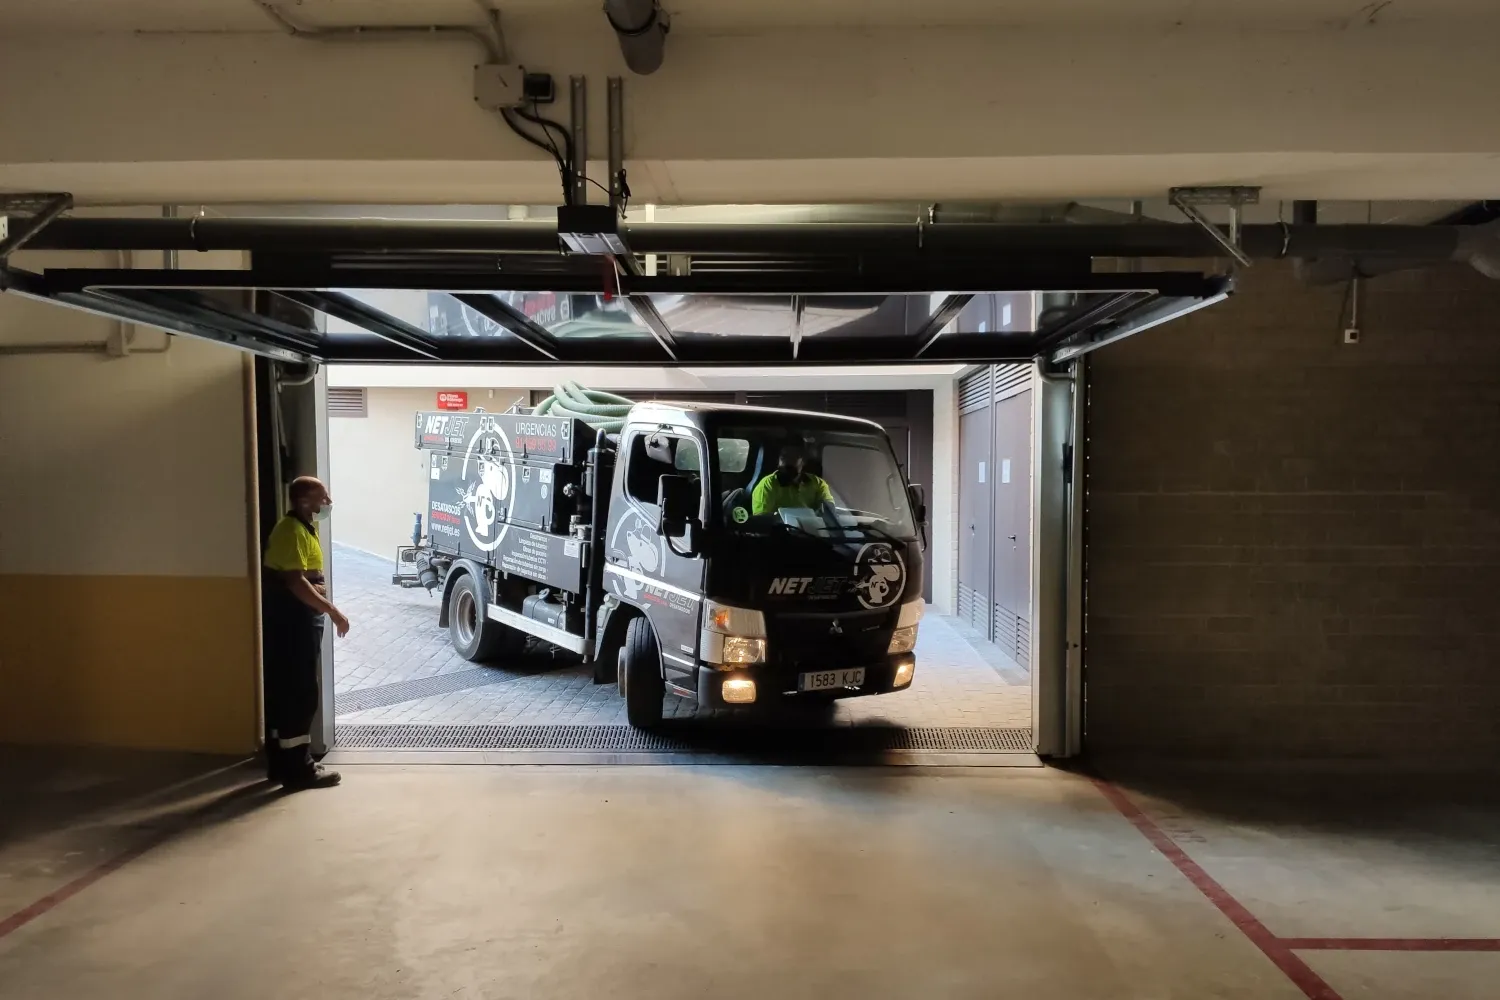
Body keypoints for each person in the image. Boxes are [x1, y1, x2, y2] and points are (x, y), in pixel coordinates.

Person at [262, 476, 350, 789]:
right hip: (293, 621)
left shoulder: (301, 528)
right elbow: (295, 582)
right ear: (304, 501)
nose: (327, 502)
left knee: (291, 692)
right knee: (299, 694)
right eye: (322, 497)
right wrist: (333, 610)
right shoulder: (290, 531)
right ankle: (299, 770)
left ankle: (284, 765)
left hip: (297, 619)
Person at [751, 441, 834, 516]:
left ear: (803, 461)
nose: (787, 461)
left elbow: (829, 512)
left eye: (793, 457)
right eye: (783, 457)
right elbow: (762, 520)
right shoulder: (768, 484)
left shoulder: (818, 483)